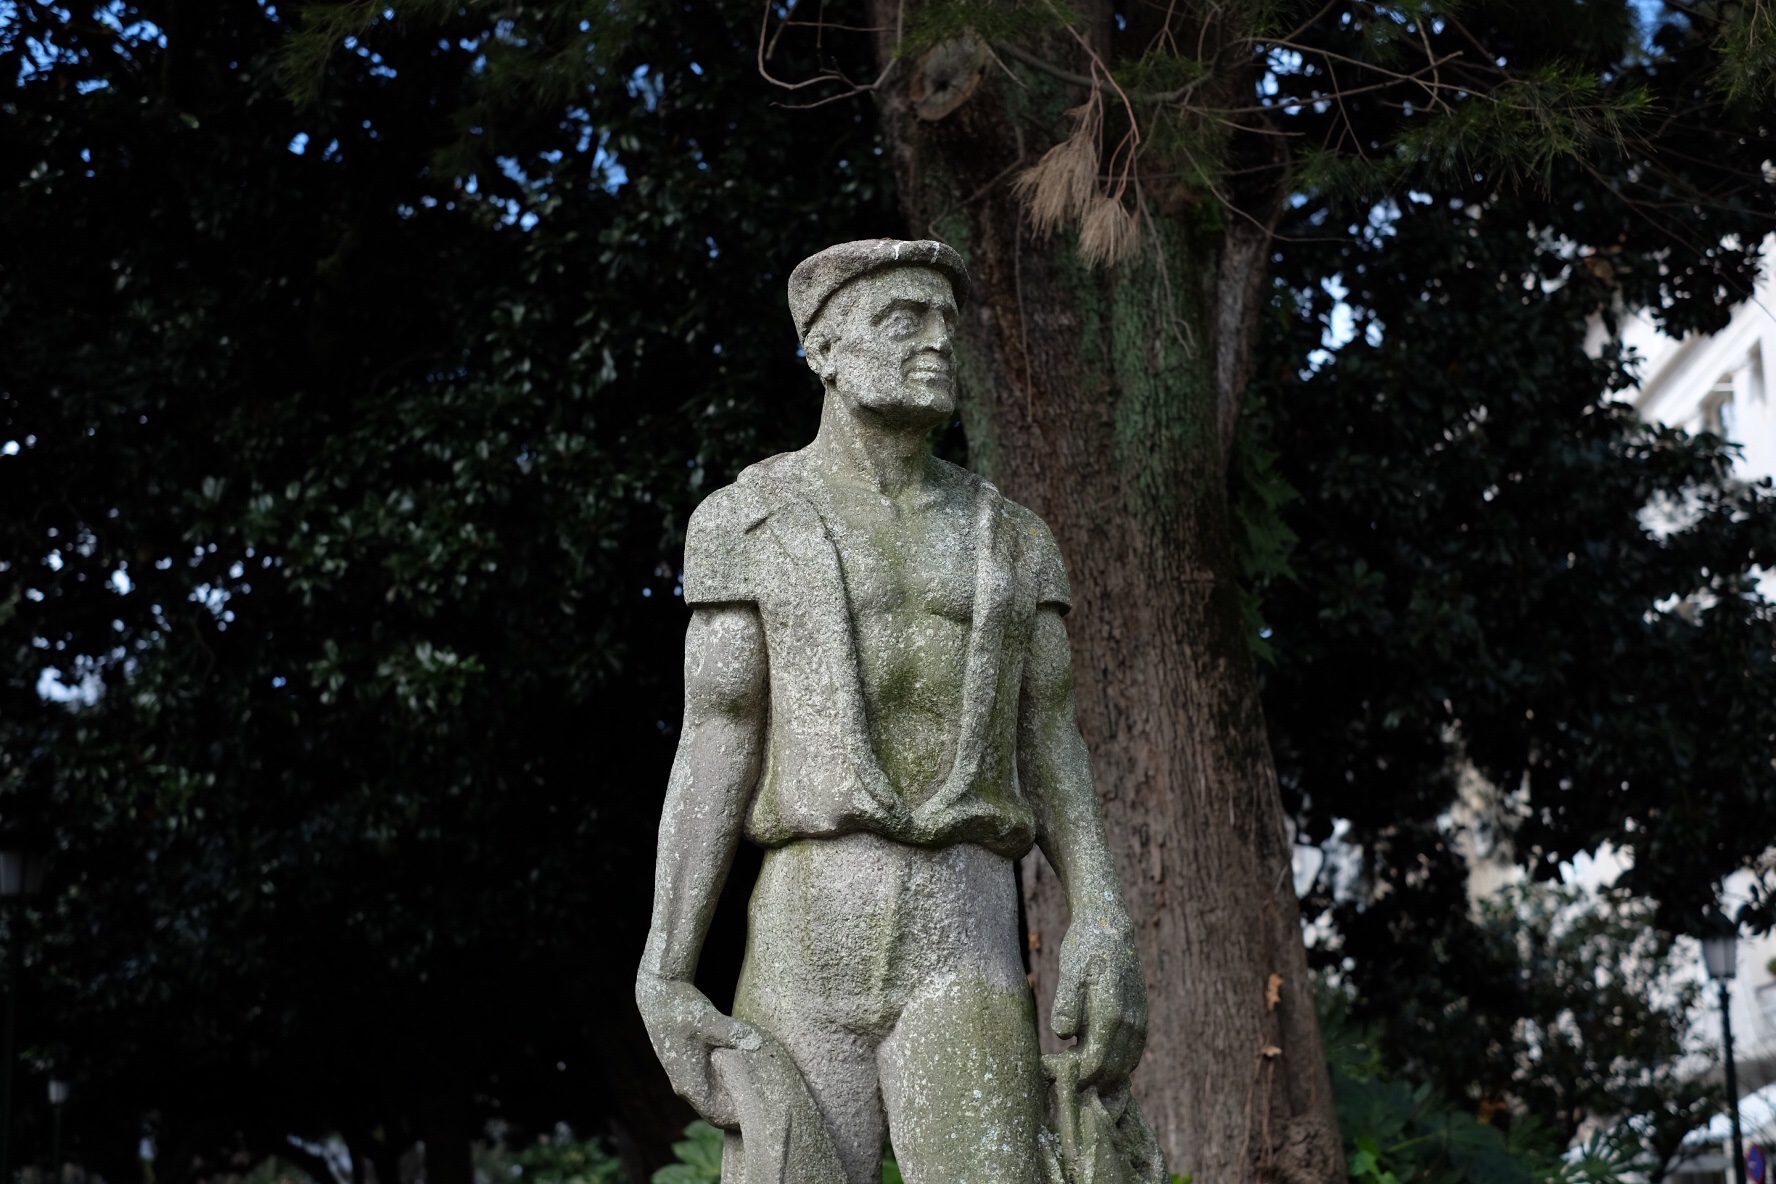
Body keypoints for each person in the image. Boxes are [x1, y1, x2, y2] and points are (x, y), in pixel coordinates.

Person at [636, 239, 1156, 1184]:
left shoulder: (1013, 539)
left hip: (964, 928)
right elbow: (716, 738)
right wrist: (665, 969)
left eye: (947, 323)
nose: (936, 343)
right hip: (806, 924)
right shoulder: (744, 522)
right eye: (903, 320)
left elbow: (1051, 738)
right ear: (826, 350)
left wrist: (1103, 916)